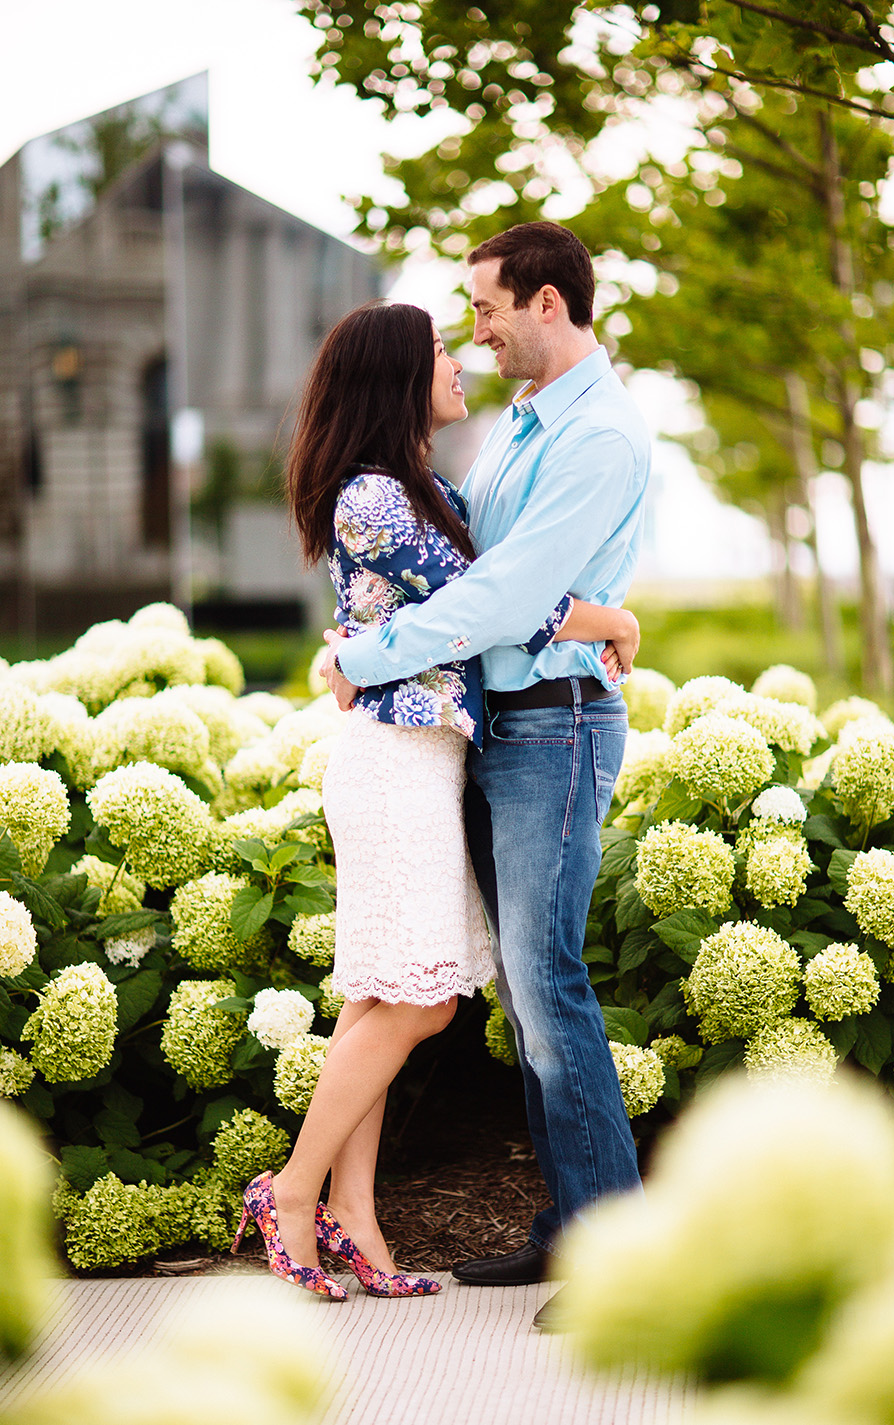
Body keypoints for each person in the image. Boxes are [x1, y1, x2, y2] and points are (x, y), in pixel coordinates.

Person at [234, 299, 638, 1300]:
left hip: (423, 757)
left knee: (382, 994)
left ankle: (358, 1222)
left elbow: (494, 581)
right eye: (441, 349)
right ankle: (290, 1196)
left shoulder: (420, 484)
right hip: (394, 762)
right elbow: (494, 601)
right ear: (396, 378)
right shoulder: (373, 497)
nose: (461, 359)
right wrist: (613, 616)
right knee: (419, 998)